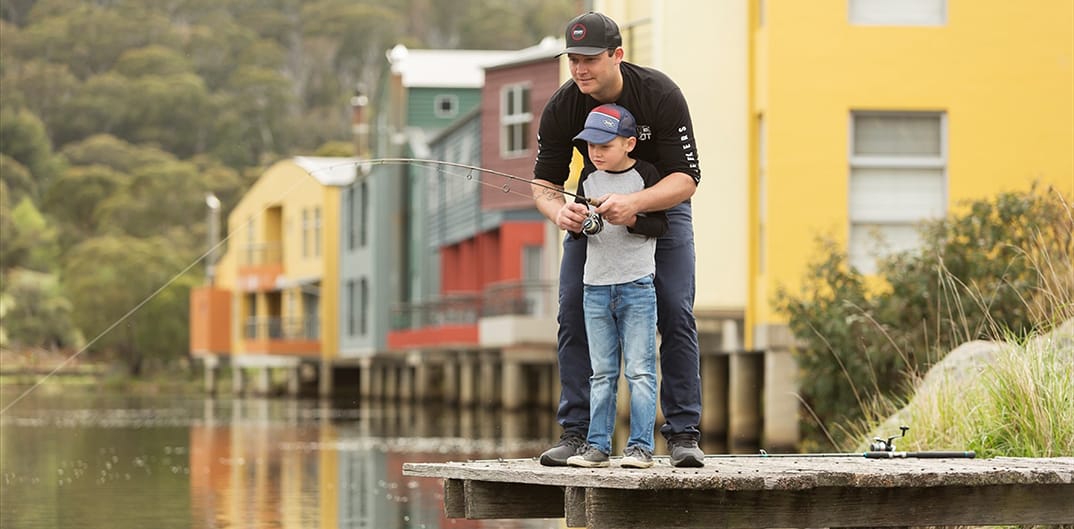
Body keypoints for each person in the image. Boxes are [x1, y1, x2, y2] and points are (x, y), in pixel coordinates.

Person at [532, 12, 705, 468]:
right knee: (572, 308)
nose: (580, 69)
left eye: (590, 58)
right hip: (594, 215)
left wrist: (637, 203)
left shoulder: (659, 94)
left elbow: (687, 179)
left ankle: (684, 434)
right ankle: (576, 434)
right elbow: (543, 183)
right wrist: (559, 212)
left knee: (674, 306)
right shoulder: (562, 106)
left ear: (618, 55)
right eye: (573, 59)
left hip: (663, 210)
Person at [561, 104, 666, 469]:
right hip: (595, 288)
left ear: (630, 144)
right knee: (601, 373)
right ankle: (597, 447)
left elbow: (660, 227)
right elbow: (579, 235)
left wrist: (631, 216)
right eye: (590, 144)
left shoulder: (647, 177)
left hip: (637, 286)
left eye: (605, 144)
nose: (596, 151)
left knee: (639, 370)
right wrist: (577, 223)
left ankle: (640, 448)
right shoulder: (587, 181)